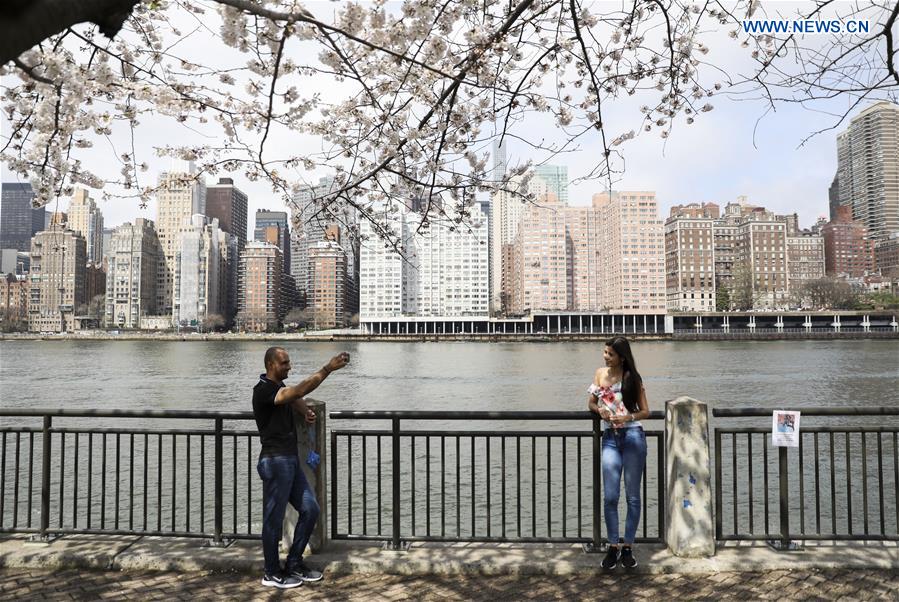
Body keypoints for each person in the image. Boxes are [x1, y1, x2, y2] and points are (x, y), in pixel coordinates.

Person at [253, 346, 349, 589]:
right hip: (275, 462)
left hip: (291, 461)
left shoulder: (276, 388)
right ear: (271, 365)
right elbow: (295, 391)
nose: (289, 366)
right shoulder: (263, 391)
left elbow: (293, 397)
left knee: (310, 509)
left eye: (289, 362)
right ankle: (271, 572)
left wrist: (305, 410)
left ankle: (294, 563)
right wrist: (328, 369)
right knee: (273, 521)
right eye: (285, 363)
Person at [587, 336, 649, 570]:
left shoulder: (633, 378)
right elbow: (590, 403)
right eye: (604, 352)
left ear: (621, 357)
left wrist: (627, 417)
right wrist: (600, 410)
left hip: (633, 437)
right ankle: (613, 546)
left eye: (610, 354)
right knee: (610, 496)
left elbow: (645, 411)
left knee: (633, 497)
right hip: (610, 439)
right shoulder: (600, 374)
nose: (605, 356)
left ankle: (628, 548)